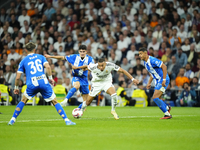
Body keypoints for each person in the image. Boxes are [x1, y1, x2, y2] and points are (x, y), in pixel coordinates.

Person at [8, 42, 75, 126]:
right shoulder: (41, 57)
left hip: (32, 83)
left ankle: (12, 120)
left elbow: (17, 78)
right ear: (34, 49)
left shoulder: (23, 61)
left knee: (23, 100)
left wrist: (16, 87)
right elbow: (48, 67)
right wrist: (50, 79)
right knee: (55, 102)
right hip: (43, 81)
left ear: (25, 50)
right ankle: (66, 120)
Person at [72, 58, 139, 120]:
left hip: (106, 83)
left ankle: (113, 111)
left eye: (102, 66)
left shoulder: (110, 65)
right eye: (99, 66)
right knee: (88, 102)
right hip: (96, 84)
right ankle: (81, 110)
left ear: (105, 64)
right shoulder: (93, 67)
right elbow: (86, 66)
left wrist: (133, 79)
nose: (101, 67)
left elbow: (123, 71)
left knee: (114, 95)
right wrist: (77, 67)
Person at [138, 47, 172, 119]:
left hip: (162, 80)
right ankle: (167, 107)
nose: (139, 55)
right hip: (157, 81)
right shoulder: (145, 62)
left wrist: (164, 80)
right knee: (158, 98)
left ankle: (167, 114)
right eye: (139, 54)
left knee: (155, 98)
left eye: (141, 54)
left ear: (145, 53)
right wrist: (149, 83)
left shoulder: (152, 60)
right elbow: (152, 73)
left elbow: (164, 67)